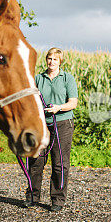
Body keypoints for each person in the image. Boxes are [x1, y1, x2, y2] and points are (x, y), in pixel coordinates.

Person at [24, 47, 78, 211]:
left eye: (55, 59)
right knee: (36, 161)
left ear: (60, 61)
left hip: (62, 123)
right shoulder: (38, 78)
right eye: (49, 58)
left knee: (59, 163)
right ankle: (33, 197)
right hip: (41, 123)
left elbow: (73, 103)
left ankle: (57, 200)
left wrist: (59, 108)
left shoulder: (67, 78)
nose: (51, 62)